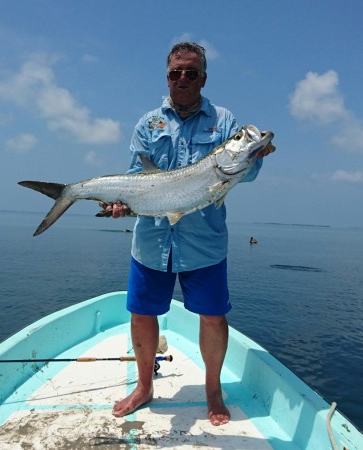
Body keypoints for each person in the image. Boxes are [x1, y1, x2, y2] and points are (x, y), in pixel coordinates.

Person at [100, 41, 275, 426]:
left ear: (203, 78)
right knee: (142, 313)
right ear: (167, 77)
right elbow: (135, 180)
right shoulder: (148, 124)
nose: (182, 78)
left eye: (190, 73)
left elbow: (244, 172)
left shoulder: (225, 121)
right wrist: (119, 202)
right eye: (175, 72)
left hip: (204, 242)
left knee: (213, 316)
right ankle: (144, 386)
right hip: (152, 241)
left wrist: (253, 153)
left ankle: (213, 390)